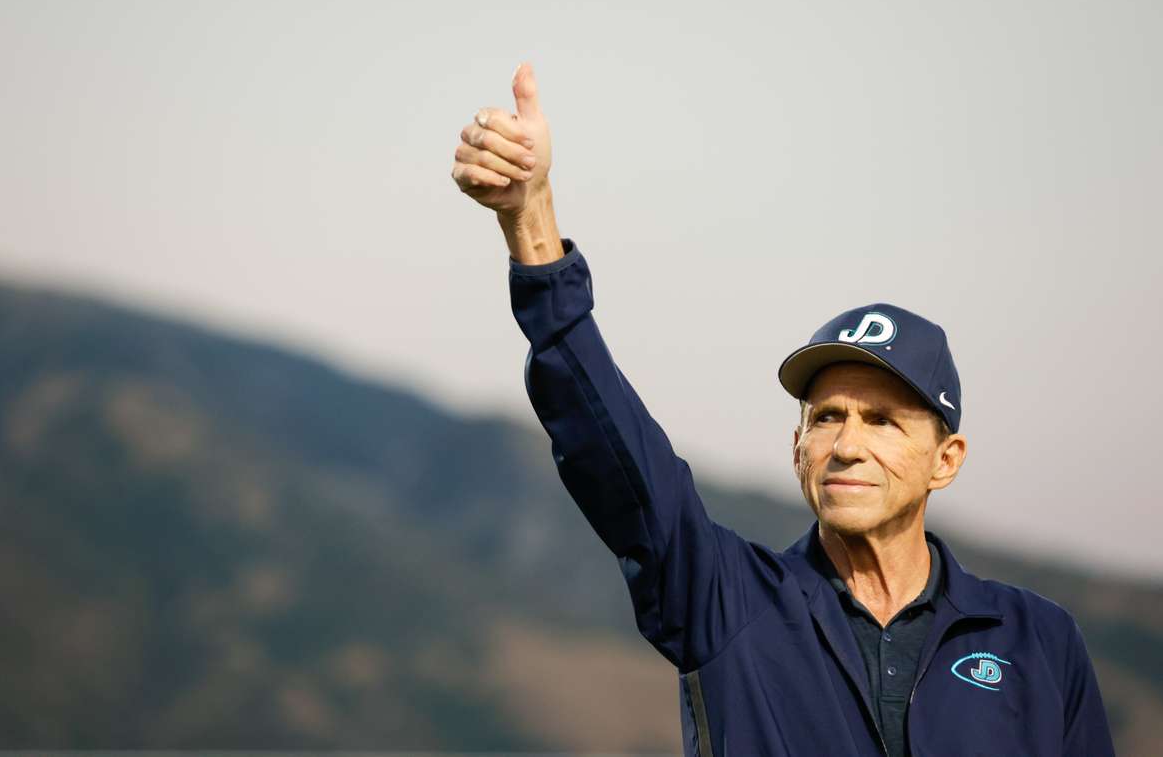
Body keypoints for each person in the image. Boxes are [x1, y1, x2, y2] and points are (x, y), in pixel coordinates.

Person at [450, 62, 1116, 756]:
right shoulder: (728, 602)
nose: (848, 443)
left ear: (945, 460)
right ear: (797, 446)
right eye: (826, 416)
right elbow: (620, 460)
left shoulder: (1038, 640)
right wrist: (531, 222)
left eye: (883, 419)